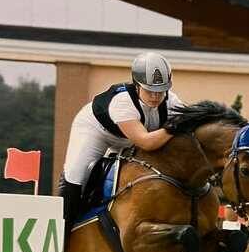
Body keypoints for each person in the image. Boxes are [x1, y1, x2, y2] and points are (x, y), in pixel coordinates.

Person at [59, 51, 185, 237]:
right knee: (77, 174)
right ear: (136, 85)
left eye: (160, 90)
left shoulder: (172, 102)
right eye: (149, 90)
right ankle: (61, 234)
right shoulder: (122, 102)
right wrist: (177, 126)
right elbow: (146, 142)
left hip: (130, 136)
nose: (155, 96)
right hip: (96, 131)